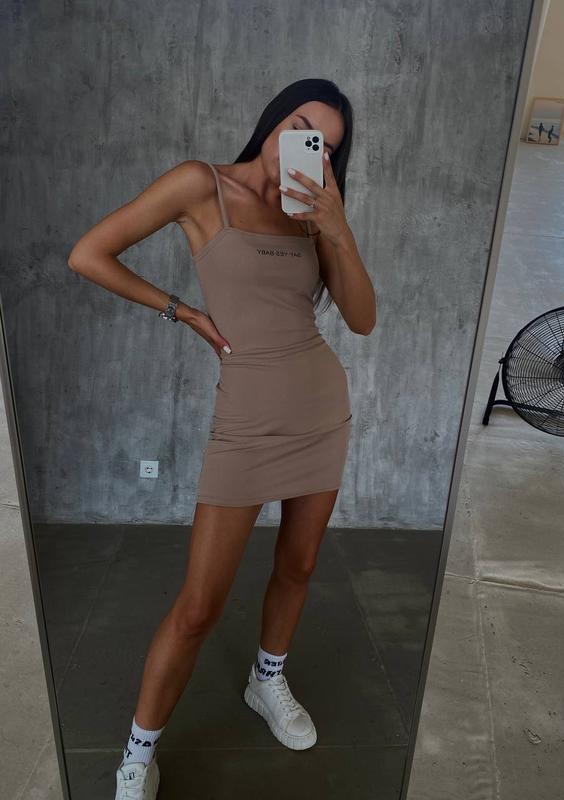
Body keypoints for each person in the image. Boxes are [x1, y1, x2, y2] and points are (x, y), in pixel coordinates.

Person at [67, 77, 376, 799]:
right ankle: (139, 753)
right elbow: (89, 254)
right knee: (199, 605)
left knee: (299, 565)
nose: (305, 145)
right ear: (273, 118)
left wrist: (337, 225)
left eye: (324, 145)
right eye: (299, 125)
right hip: (245, 419)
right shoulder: (200, 185)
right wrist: (183, 312)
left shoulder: (312, 215)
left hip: (320, 409)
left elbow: (362, 319)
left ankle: (267, 680)